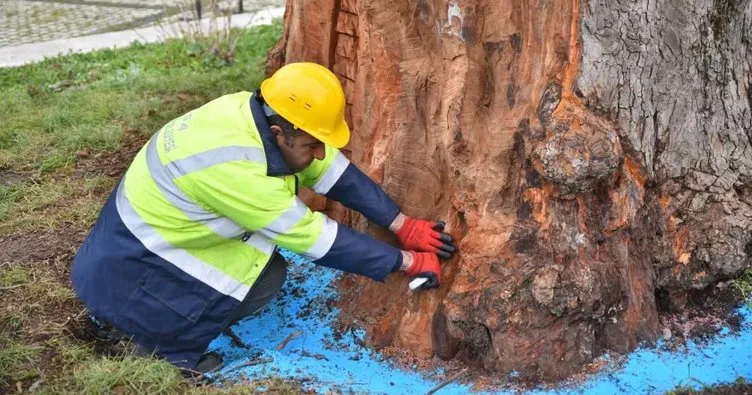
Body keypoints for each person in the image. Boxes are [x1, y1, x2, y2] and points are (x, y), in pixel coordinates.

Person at [71, 62, 457, 373]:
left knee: (265, 270)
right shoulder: (235, 166)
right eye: (312, 145)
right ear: (280, 133)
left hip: (130, 247)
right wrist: (406, 262)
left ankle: (146, 320)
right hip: (131, 273)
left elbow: (332, 174)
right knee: (264, 281)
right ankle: (160, 346)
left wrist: (400, 223)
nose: (320, 153)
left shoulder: (249, 113)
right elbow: (312, 236)